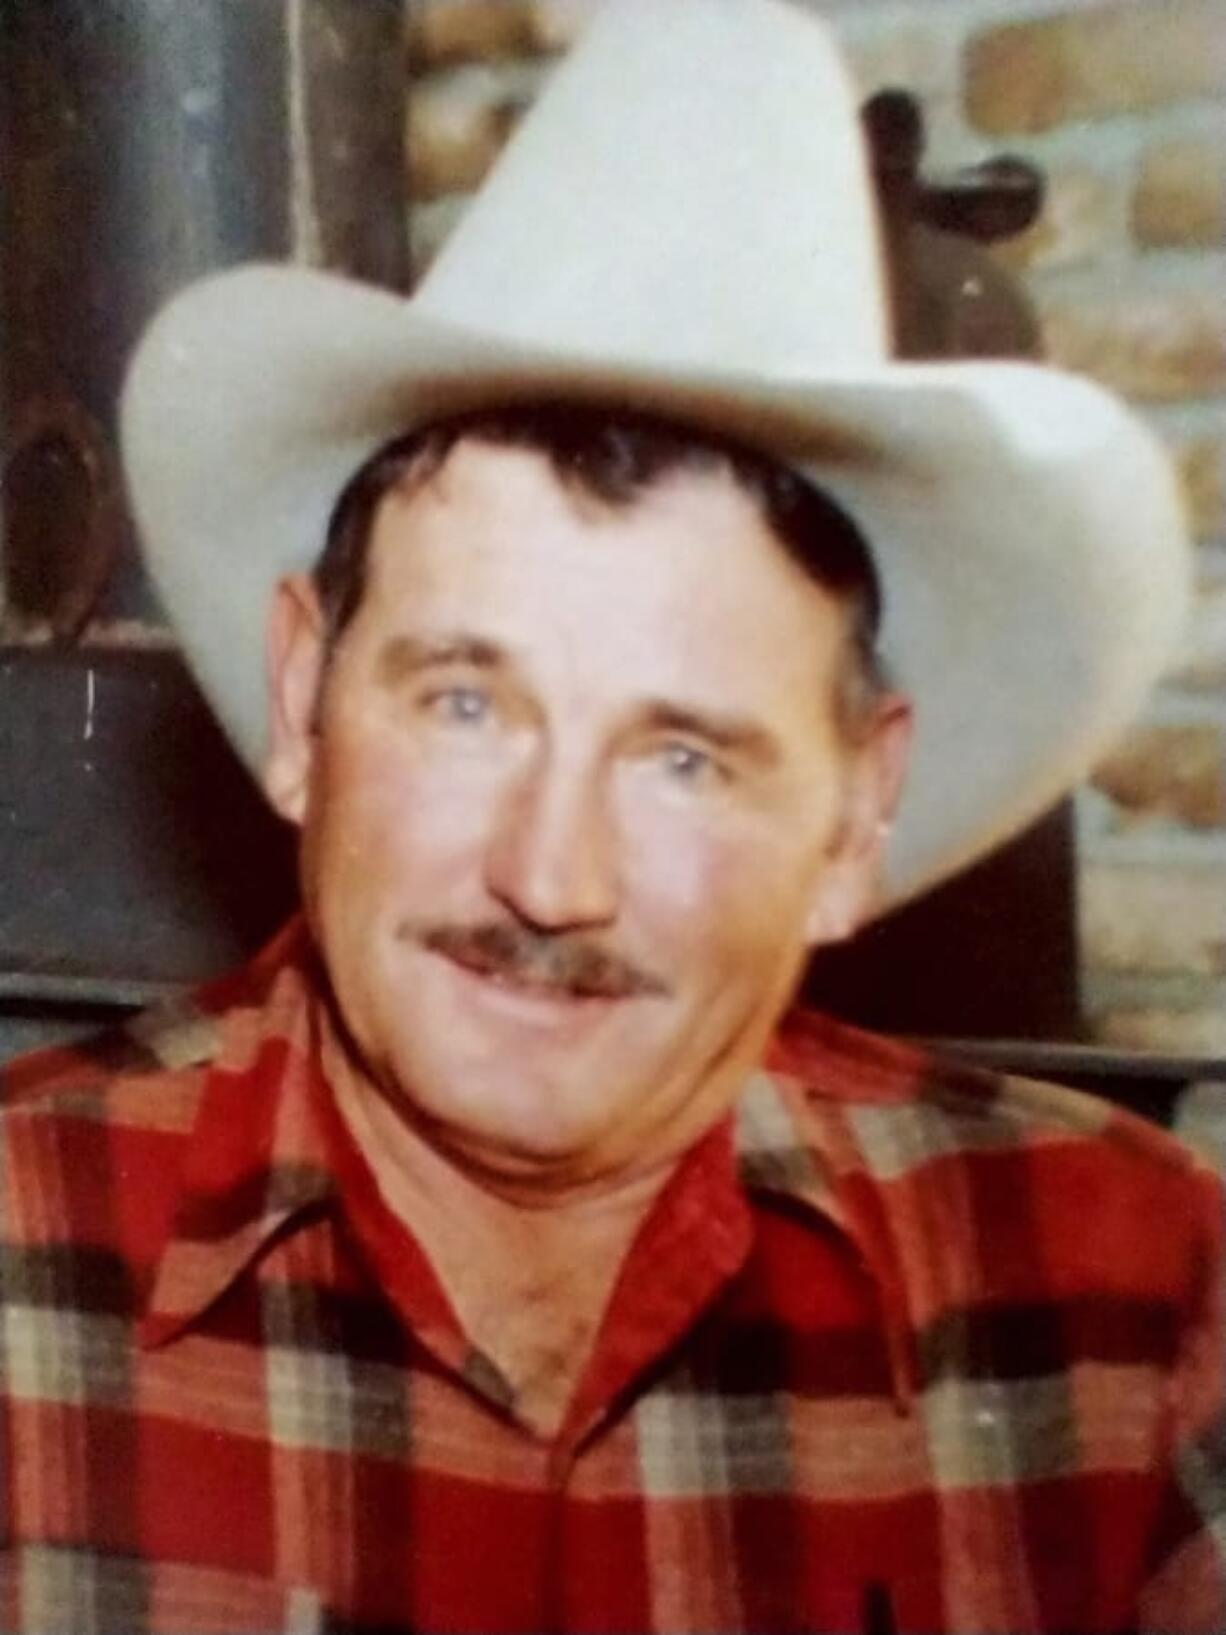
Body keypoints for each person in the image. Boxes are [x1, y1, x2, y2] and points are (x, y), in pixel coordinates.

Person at [1, 1, 1221, 1631]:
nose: (546, 877)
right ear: (302, 706)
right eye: (463, 703)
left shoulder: (1128, 1304)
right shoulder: (21, 1266)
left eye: (684, 758)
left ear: (855, 819)